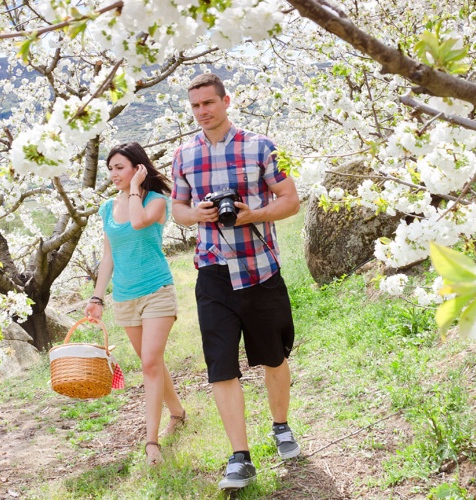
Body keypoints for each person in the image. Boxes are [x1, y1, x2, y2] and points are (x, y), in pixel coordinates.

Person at [170, 73, 302, 490]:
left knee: (274, 357)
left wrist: (252, 214)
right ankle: (240, 457)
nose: (202, 112)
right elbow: (177, 208)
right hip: (211, 272)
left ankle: (280, 425)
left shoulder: (262, 146)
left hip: (259, 268)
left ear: (226, 101)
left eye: (209, 103)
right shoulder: (183, 154)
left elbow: (290, 201)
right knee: (220, 366)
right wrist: (197, 215)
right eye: (195, 106)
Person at [85, 142, 187, 466]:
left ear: (138, 168)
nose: (114, 174)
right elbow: (108, 256)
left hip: (157, 290)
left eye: (120, 168)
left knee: (149, 364)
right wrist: (97, 297)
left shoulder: (156, 201)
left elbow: (140, 222)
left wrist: (134, 190)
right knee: (151, 362)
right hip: (125, 299)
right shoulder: (106, 210)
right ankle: (178, 413)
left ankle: (151, 442)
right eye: (110, 169)